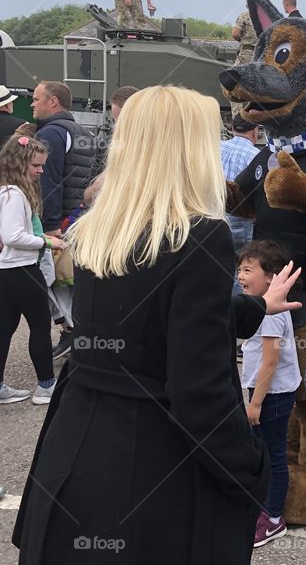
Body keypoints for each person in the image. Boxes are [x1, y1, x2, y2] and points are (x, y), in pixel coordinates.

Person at [11, 85, 290, 564]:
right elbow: (197, 389)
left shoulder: (104, 226)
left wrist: (254, 308)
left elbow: (149, 311)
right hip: (153, 463)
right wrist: (250, 468)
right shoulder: (200, 234)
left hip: (77, 444)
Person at [237, 240, 302, 548]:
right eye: (239, 269)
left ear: (271, 277)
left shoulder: (271, 312)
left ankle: (274, 518)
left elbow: (271, 360)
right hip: (266, 391)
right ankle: (264, 505)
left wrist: (255, 403)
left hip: (271, 394)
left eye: (248, 269)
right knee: (265, 450)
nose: (239, 276)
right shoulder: (260, 305)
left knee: (274, 455)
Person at [31, 81, 95, 359]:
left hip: (60, 222)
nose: (32, 104)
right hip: (80, 216)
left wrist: (51, 225)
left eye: (36, 99)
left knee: (51, 280)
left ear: (53, 101)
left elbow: (50, 180)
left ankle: (71, 331)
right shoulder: (83, 132)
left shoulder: (51, 133)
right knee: (71, 279)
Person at [0, 136, 65, 405]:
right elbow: (14, 235)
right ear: (21, 163)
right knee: (39, 325)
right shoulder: (16, 195)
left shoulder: (5, 191)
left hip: (6, 269)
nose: (40, 171)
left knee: (4, 328)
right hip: (24, 268)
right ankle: (46, 385)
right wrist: (48, 241)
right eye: (36, 166)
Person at [221, 114, 261, 254]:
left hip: (214, 216)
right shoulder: (257, 156)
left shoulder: (216, 147)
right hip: (240, 222)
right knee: (241, 267)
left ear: (232, 128)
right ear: (255, 131)